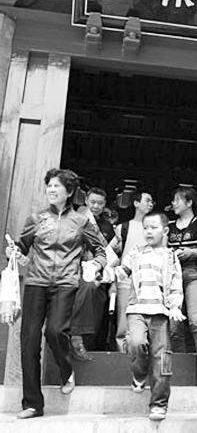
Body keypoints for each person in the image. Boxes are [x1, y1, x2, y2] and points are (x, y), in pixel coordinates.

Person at [9, 168, 106, 420]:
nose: (51, 190)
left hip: (65, 283)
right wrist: (14, 252)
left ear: (69, 191)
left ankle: (66, 369)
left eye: (56, 186)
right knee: (29, 341)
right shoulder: (36, 219)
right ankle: (33, 404)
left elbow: (101, 250)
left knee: (54, 331)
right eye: (49, 185)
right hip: (36, 283)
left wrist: (96, 265)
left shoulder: (81, 221)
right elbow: (21, 247)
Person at [115, 210, 184, 421]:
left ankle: (159, 404)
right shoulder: (136, 252)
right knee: (136, 343)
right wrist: (104, 271)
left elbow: (176, 284)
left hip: (161, 313)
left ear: (165, 231)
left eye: (154, 227)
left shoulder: (171, 256)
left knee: (162, 359)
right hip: (137, 309)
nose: (149, 231)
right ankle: (139, 374)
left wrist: (175, 307)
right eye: (146, 228)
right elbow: (121, 271)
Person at [167, 185, 197, 352]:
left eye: (177, 200)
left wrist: (192, 252)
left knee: (196, 321)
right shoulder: (169, 226)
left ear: (189, 203)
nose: (173, 203)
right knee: (174, 326)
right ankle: (179, 362)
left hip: (195, 273)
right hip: (172, 276)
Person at [70, 186, 115, 360]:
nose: (96, 206)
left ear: (104, 205)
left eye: (100, 203)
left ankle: (89, 349)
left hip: (100, 275)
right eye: (93, 202)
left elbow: (110, 255)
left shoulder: (107, 227)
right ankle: (76, 342)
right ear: (86, 201)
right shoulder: (76, 219)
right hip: (76, 272)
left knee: (97, 316)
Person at [108, 190, 155, 351]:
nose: (150, 204)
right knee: (123, 321)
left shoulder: (155, 229)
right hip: (125, 280)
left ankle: (141, 354)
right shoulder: (123, 228)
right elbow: (110, 255)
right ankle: (122, 354)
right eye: (147, 200)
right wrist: (113, 282)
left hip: (148, 282)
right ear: (136, 203)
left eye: (152, 201)